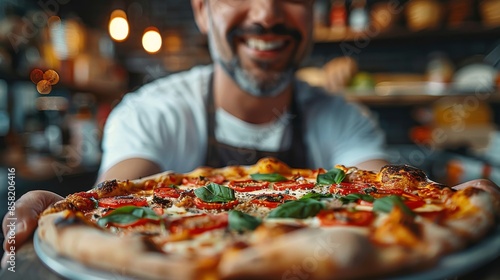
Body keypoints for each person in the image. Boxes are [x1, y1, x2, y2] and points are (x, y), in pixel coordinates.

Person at [0, 0, 415, 268]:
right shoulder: (150, 111)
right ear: (202, 10)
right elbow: (119, 194)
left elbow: (387, 193)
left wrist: (426, 195)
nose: (267, 14)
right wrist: (77, 210)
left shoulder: (346, 118)